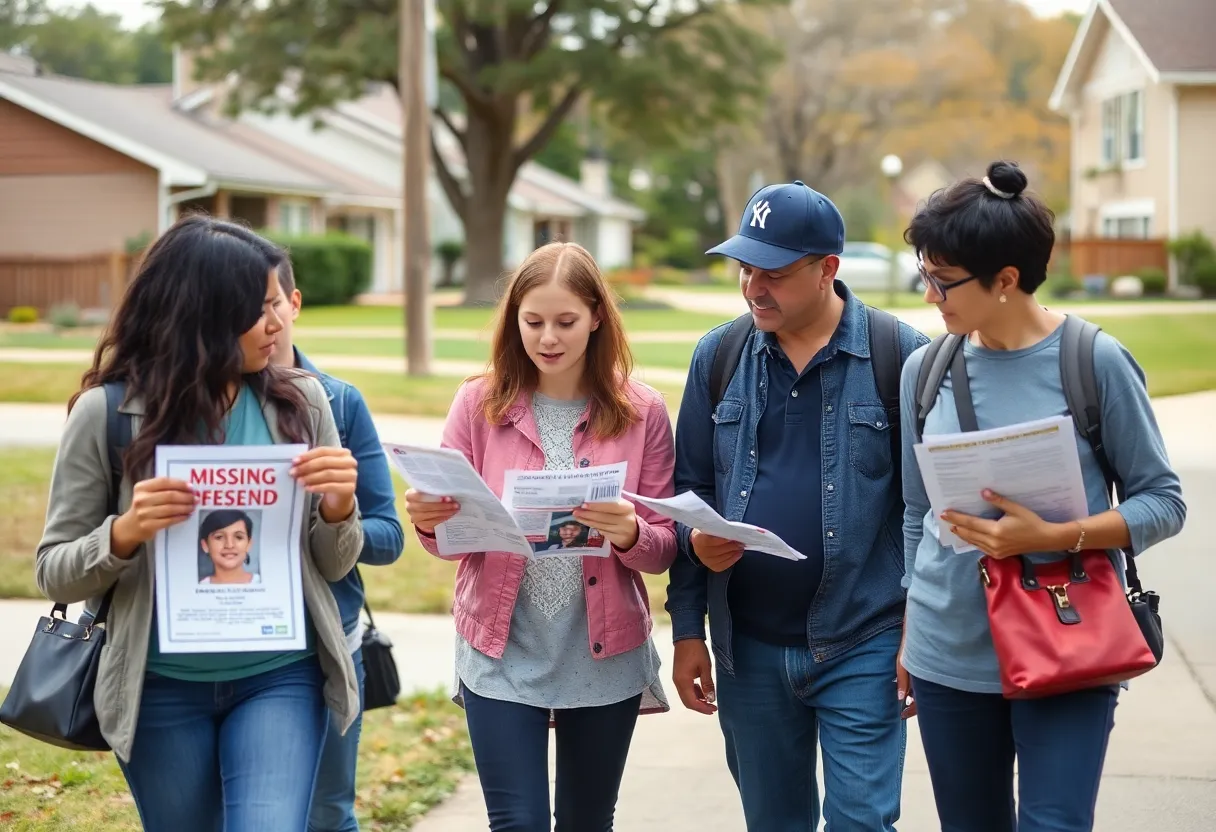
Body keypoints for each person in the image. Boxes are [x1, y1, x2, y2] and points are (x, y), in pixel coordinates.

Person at [35, 215, 364, 832]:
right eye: (258, 310)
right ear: (203, 314)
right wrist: (125, 532)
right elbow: (55, 572)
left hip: (279, 676)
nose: (277, 324)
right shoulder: (107, 414)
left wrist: (339, 508)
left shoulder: (302, 402)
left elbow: (333, 563)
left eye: (277, 305)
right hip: (158, 688)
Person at [898, 160, 1187, 831]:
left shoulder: (1094, 362)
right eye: (925, 275)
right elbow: (917, 512)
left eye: (944, 280)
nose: (930, 296)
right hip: (949, 652)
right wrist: (911, 625)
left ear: (1005, 279)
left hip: (1070, 640)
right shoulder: (925, 370)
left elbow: (1163, 502)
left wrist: (1052, 537)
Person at [666, 180, 928, 831]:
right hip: (747, 647)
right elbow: (690, 494)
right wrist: (688, 627)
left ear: (827, 269)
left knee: (862, 822)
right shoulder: (718, 356)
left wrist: (920, 630)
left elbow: (931, 512)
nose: (754, 287)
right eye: (745, 269)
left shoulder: (901, 357)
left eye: (774, 273)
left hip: (864, 639)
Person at [403, 241, 677, 831]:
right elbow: (447, 540)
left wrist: (631, 533)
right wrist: (430, 519)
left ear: (597, 317)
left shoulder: (643, 411)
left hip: (603, 655)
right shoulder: (477, 402)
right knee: (517, 823)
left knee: (586, 821)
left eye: (565, 322)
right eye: (533, 322)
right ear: (514, 321)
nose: (548, 338)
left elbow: (663, 548)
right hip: (499, 650)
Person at [269, 258, 405, 832]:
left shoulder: (340, 403)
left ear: (295, 303)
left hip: (327, 640)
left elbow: (389, 537)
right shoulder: (201, 404)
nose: (263, 321)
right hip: (233, 638)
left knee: (327, 812)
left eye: (273, 304)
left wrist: (335, 520)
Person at [198, 509, 259, 585]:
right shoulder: (197, 587)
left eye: (238, 537)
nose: (229, 545)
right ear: (205, 545)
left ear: (249, 544)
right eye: (219, 537)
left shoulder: (267, 583)